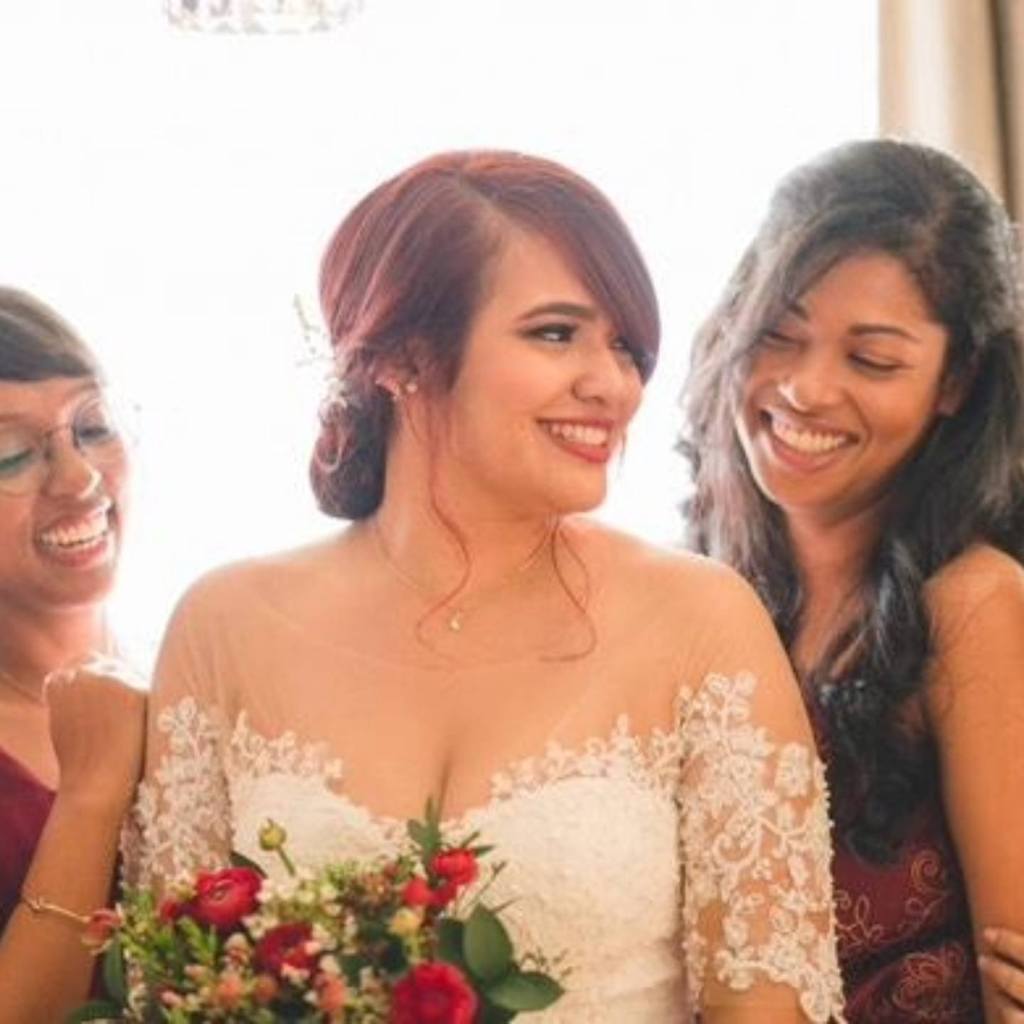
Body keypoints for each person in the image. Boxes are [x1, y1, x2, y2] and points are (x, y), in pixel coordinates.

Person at [133, 151, 847, 1022]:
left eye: (625, 347)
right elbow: (173, 989)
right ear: (402, 355)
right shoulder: (226, 626)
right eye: (556, 333)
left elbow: (768, 1007)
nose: (613, 385)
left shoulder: (701, 621)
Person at [681, 138, 1024, 1023]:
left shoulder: (972, 603)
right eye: (778, 335)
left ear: (956, 381)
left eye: (871, 360)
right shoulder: (699, 582)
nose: (805, 390)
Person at [0, 288, 146, 1022]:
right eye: (10, 455)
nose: (80, 480)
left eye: (93, 427)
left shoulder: (203, 665)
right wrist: (90, 794)